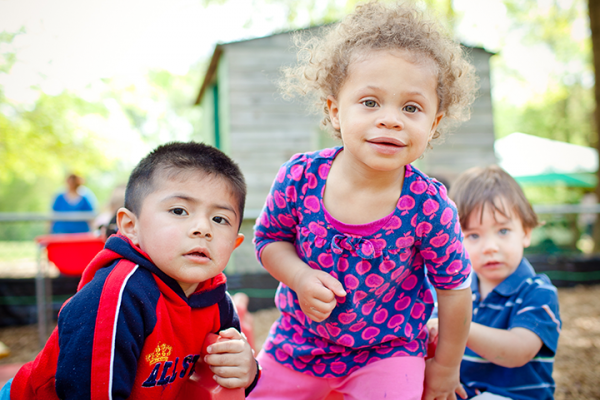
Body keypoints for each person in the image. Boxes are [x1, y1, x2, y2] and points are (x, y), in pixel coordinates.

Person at [249, 2, 478, 399]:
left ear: (434, 123)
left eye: (411, 107)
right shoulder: (300, 178)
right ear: (335, 111)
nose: (391, 119)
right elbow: (269, 240)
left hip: (389, 353)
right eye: (370, 102)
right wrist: (300, 277)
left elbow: (456, 291)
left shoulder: (430, 207)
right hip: (297, 346)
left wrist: (445, 366)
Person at [2, 142, 260, 399]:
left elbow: (225, 382)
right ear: (130, 226)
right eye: (179, 210)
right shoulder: (117, 296)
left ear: (234, 244)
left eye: (219, 219)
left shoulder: (215, 300)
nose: (203, 228)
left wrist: (248, 370)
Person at [429, 165, 561, 399]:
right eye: (474, 235)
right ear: (455, 240)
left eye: (503, 231)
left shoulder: (537, 292)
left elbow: (518, 351)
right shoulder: (453, 290)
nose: (490, 247)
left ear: (526, 232)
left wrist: (456, 327)